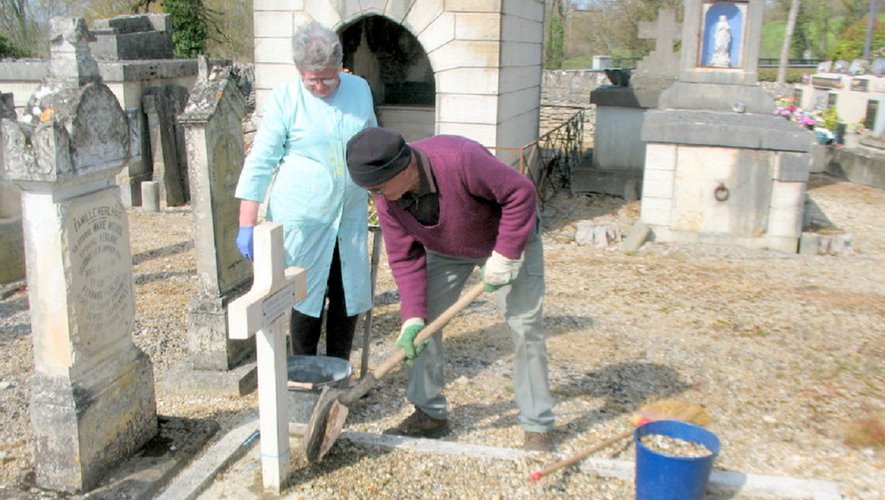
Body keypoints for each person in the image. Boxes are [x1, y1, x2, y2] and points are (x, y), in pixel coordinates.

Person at [344, 127, 556, 452]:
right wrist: (412, 317)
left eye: (379, 187)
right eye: (370, 191)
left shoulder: (460, 158)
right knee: (420, 331)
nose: (378, 198)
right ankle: (429, 415)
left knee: (525, 327)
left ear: (403, 168)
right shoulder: (388, 202)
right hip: (445, 247)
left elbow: (520, 193)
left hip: (507, 238)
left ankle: (537, 424)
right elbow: (405, 257)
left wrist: (506, 254)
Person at [234, 21, 377, 362]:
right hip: (303, 217)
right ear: (300, 71)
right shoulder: (286, 97)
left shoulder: (358, 90)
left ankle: (338, 371)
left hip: (349, 216)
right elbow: (261, 160)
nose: (320, 85)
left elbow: (372, 143)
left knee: (347, 296)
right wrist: (247, 222)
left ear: (340, 67)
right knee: (304, 296)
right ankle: (302, 372)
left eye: (328, 77)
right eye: (312, 78)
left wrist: (383, 193)